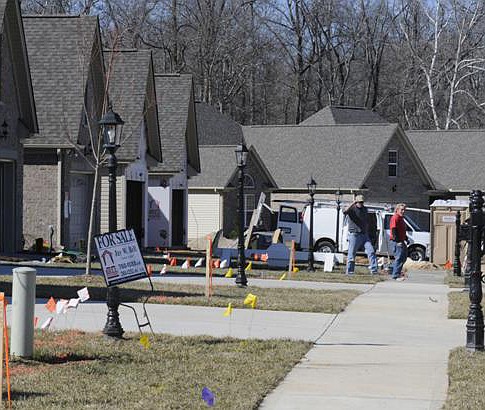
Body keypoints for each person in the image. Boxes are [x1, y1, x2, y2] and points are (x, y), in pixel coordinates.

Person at [343, 194, 378, 275]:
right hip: (354, 234)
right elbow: (344, 211)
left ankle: (374, 271)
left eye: (362, 202)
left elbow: (366, 221)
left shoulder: (365, 209)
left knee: (371, 251)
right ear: (356, 202)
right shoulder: (352, 209)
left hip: (364, 235)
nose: (360, 204)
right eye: (359, 202)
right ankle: (350, 272)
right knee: (351, 254)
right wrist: (352, 203)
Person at [390, 203, 408, 279]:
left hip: (402, 240)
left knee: (404, 257)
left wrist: (406, 238)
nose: (403, 211)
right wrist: (397, 241)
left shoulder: (401, 218)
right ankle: (395, 275)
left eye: (404, 210)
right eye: (401, 210)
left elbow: (401, 230)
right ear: (397, 210)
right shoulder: (395, 217)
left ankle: (394, 271)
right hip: (397, 241)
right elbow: (393, 230)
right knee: (399, 258)